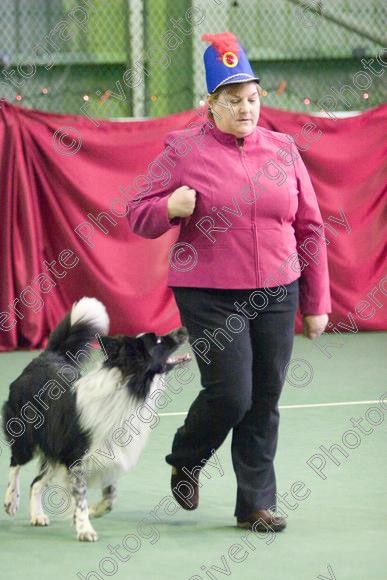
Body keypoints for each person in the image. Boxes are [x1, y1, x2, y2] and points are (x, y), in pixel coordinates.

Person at [128, 32, 331, 532]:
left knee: (264, 398)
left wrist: (317, 301)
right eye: (234, 100)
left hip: (278, 291)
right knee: (232, 393)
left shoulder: (283, 149)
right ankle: (187, 457)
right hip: (209, 292)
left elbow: (310, 226)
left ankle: (255, 504)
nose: (246, 108)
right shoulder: (182, 149)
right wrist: (167, 208)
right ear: (210, 105)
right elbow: (136, 214)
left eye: (253, 98)